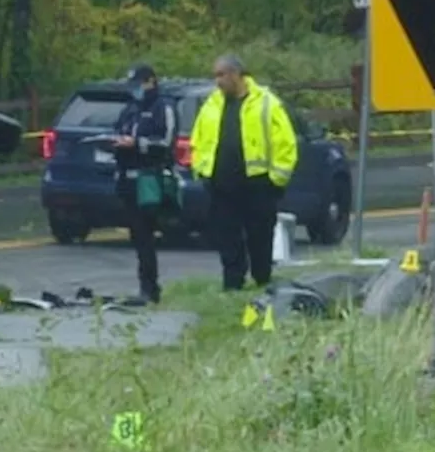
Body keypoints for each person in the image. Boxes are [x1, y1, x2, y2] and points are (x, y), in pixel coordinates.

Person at [189, 53, 298, 291]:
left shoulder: (266, 103)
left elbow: (285, 143)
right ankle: (232, 282)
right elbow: (198, 139)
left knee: (259, 235)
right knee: (227, 236)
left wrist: (276, 180)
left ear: (237, 74)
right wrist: (202, 172)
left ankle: (262, 279)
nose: (217, 81)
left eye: (221, 75)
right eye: (215, 75)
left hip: (257, 184)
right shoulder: (212, 104)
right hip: (221, 184)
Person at [112, 63, 177, 303]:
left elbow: (166, 142)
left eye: (139, 84)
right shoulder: (131, 109)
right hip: (127, 179)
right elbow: (118, 131)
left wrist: (138, 143)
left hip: (150, 178)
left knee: (147, 232)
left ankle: (151, 288)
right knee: (137, 235)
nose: (136, 90)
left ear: (151, 81)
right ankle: (144, 286)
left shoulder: (164, 106)